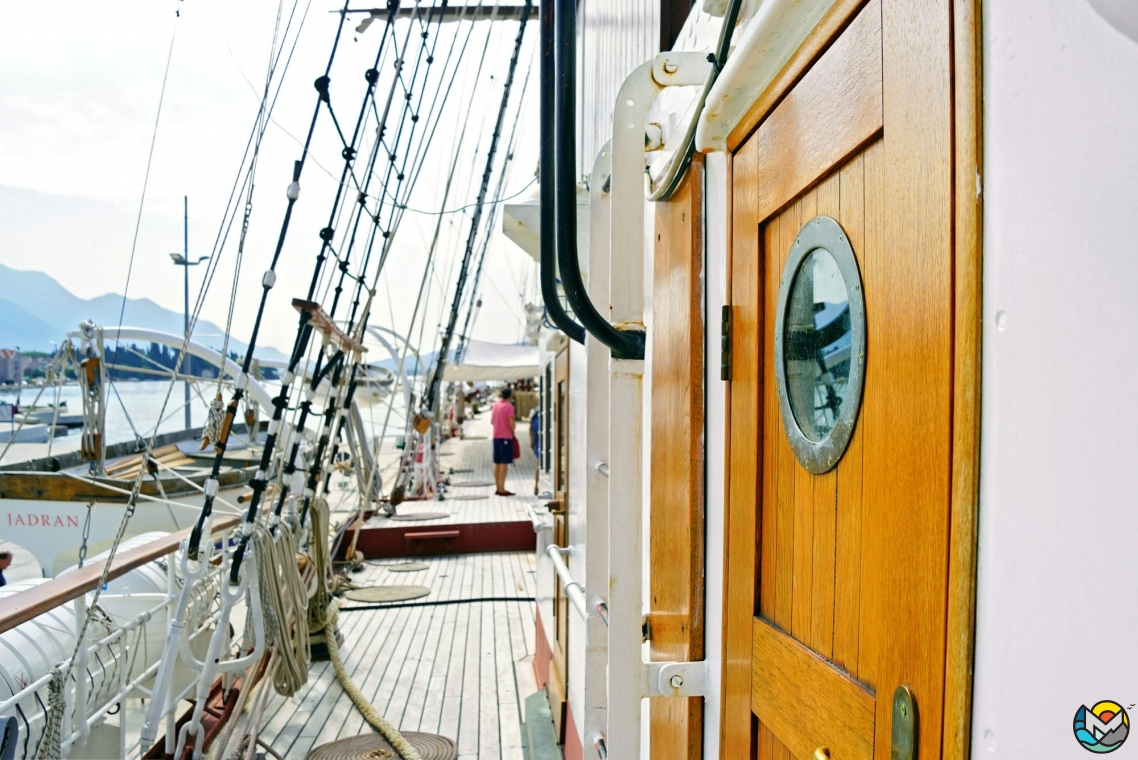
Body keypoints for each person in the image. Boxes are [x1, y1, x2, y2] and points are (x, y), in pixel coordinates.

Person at [490, 388, 517, 496]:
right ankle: (502, 488)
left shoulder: (495, 405)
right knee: (504, 463)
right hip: (506, 437)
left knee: (497, 463)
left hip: (496, 437)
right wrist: (513, 428)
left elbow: (492, 421)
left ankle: (497, 487)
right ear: (510, 396)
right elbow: (512, 424)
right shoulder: (509, 407)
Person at [529, 409, 541, 495]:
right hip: (541, 441)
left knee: (539, 464)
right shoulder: (537, 412)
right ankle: (536, 486)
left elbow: (530, 428)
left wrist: (532, 441)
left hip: (538, 442)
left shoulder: (535, 412)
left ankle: (536, 486)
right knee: (539, 464)